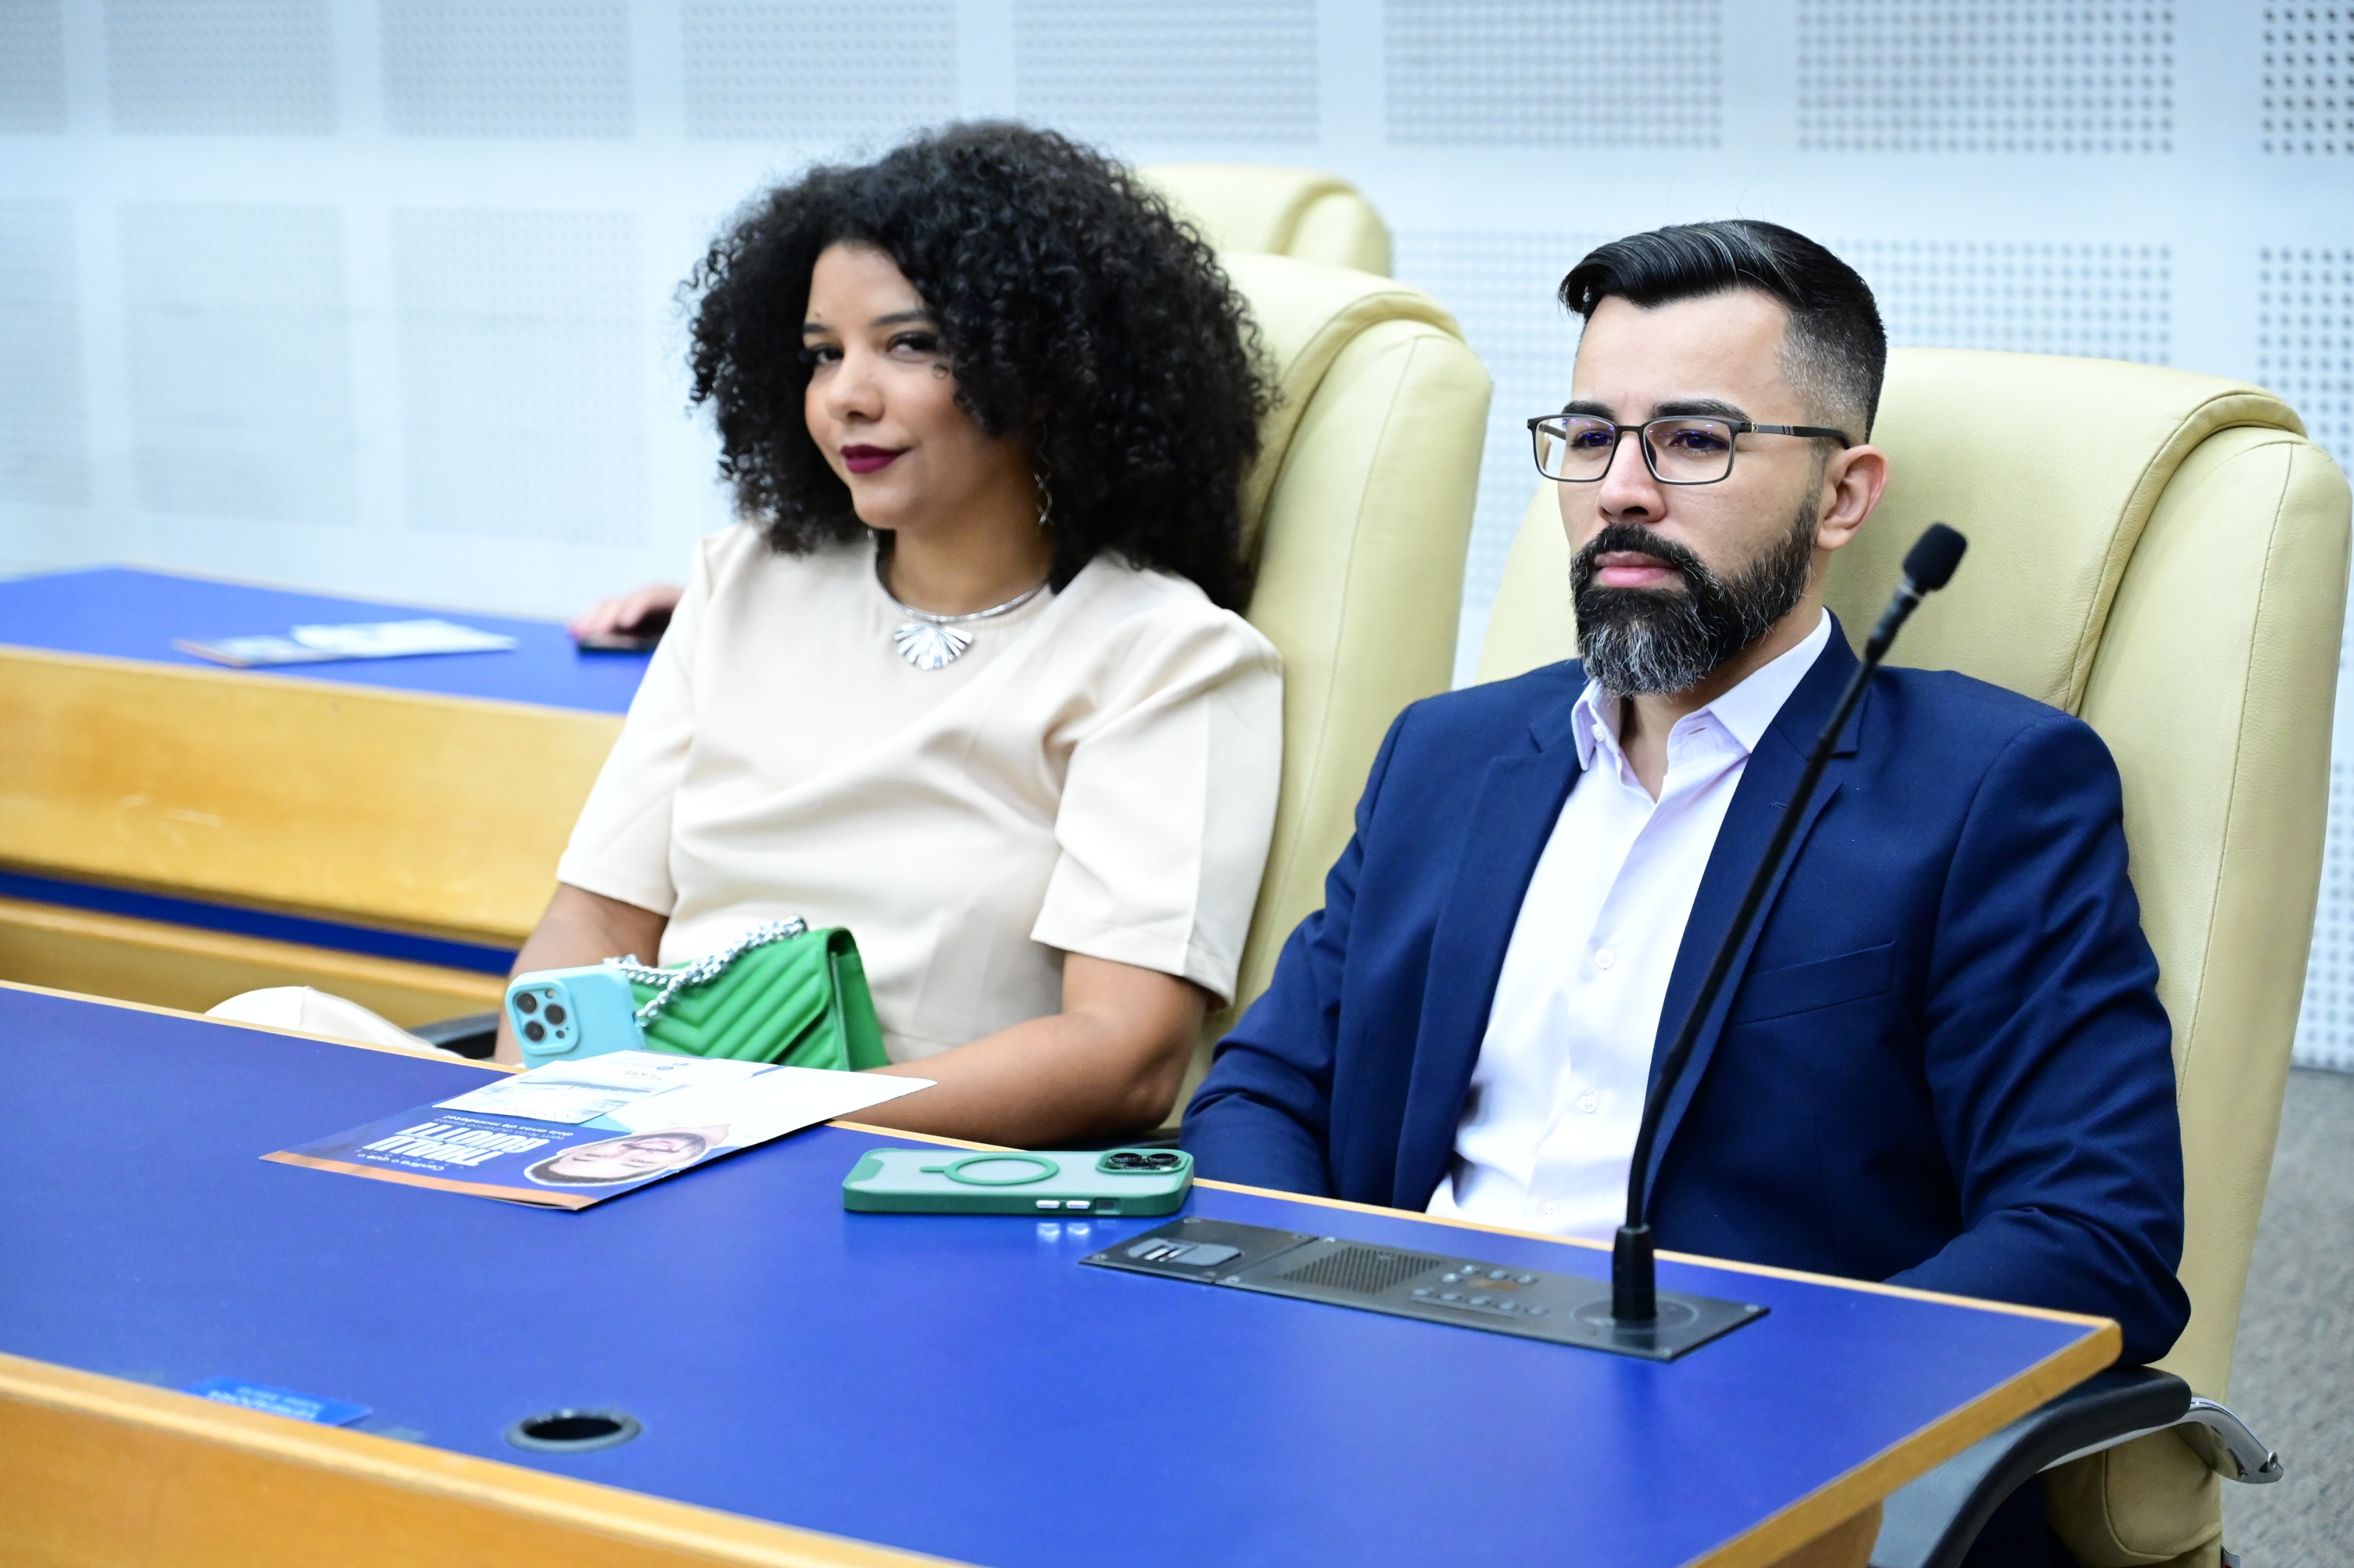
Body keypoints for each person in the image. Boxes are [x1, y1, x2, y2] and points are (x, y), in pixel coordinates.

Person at [1181, 223, 2189, 1561]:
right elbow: (1260, 1094)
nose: (1622, 491)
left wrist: (1767, 1406)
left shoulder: (1987, 789)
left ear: (1842, 496)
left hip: (1740, 1465)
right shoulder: (1448, 756)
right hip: (1377, 1417)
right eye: (1591, 437)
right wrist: (1313, 1324)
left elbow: (2090, 1232)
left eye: (1694, 441)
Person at [502, 123, 1284, 1150]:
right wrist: (526, 1112)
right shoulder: (742, 580)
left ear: (1044, 369)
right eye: (823, 355)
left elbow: (1122, 1055)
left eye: (909, 345)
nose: (846, 396)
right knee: (295, 1026)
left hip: (878, 1174)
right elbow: (596, 920)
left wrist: (739, 1121)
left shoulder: (1165, 657)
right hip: (634, 1141)